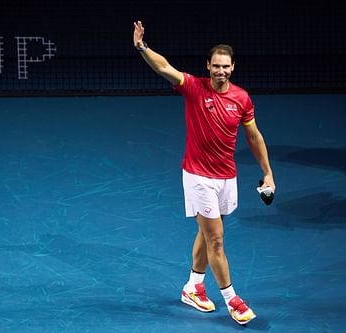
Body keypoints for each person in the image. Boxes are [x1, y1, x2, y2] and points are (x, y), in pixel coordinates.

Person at [133, 21, 276, 325]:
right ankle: (232, 300)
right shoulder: (195, 88)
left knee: (206, 232)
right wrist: (143, 47)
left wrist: (268, 173)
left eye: (225, 66)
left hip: (227, 177)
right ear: (207, 66)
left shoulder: (242, 98)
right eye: (215, 66)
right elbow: (165, 68)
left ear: (233, 67)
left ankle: (193, 287)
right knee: (217, 241)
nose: (220, 71)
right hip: (198, 176)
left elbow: (254, 137)